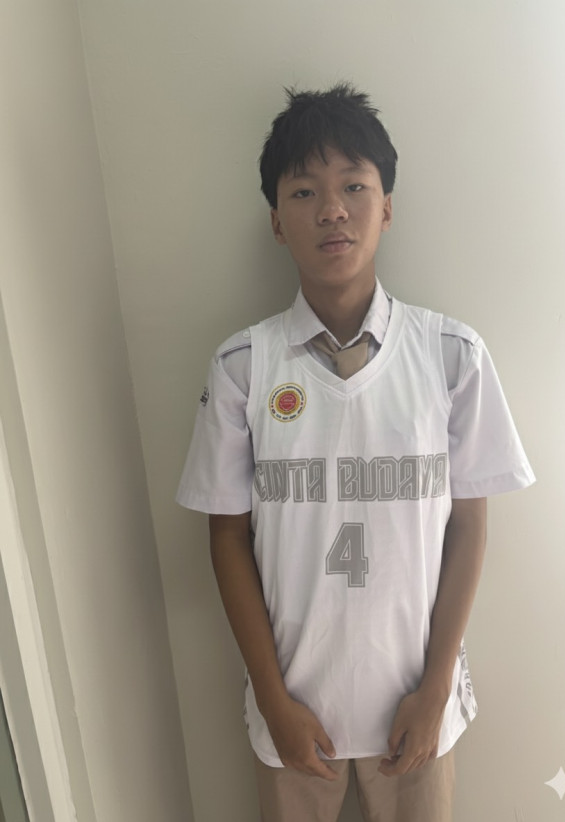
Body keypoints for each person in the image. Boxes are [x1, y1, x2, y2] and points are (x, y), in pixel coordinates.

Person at [177, 83, 535, 822]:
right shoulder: (244, 367)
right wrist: (273, 700)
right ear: (277, 221)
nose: (332, 210)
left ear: (387, 206)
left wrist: (436, 687)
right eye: (304, 191)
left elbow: (469, 525)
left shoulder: (451, 356)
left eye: (354, 186)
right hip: (294, 711)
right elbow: (227, 536)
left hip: (417, 710)